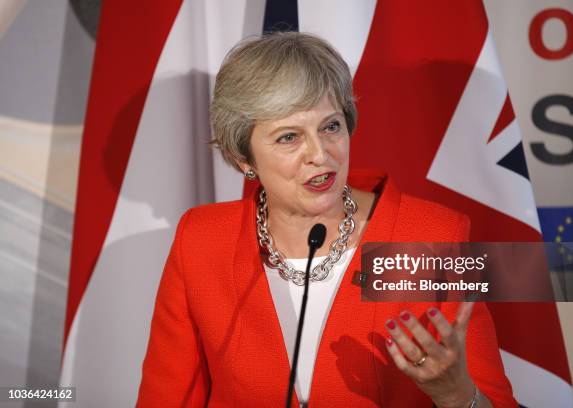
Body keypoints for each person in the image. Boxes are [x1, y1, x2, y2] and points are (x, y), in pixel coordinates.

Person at [136, 32, 516, 407]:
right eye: (289, 137)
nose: (320, 154)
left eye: (330, 126)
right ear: (244, 158)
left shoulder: (432, 235)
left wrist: (456, 396)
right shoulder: (201, 241)